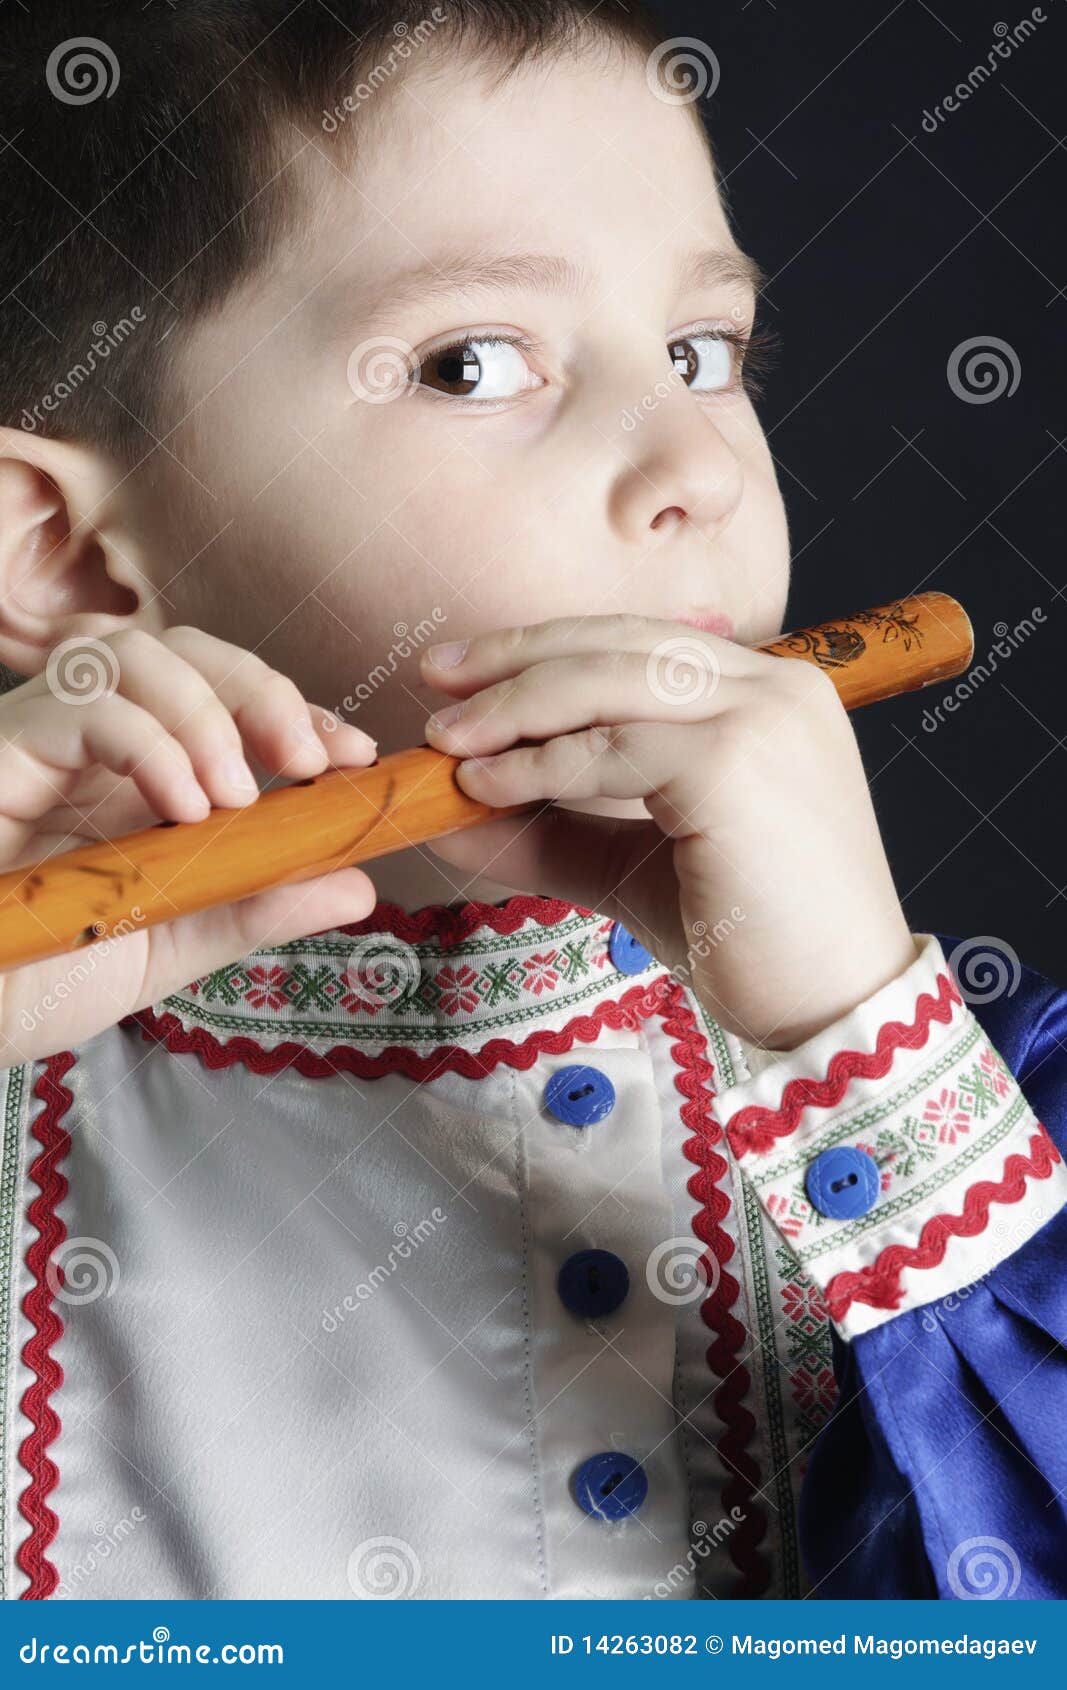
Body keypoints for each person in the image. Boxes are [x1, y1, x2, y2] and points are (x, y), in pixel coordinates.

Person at [0, 1, 1063, 1601]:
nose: (693, 463)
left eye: (706, 352)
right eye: (475, 361)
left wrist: (858, 1032)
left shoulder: (984, 1106)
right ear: (69, 558)